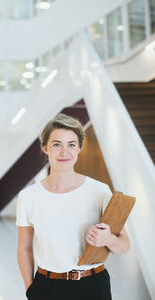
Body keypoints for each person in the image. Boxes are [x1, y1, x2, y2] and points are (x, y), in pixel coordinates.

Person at [16, 113, 130, 300]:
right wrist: (30, 289)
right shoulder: (29, 196)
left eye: (71, 144)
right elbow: (24, 248)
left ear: (79, 148)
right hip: (47, 287)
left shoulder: (100, 191)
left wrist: (108, 239)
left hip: (93, 285)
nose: (64, 152)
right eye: (56, 144)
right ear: (46, 148)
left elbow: (124, 245)